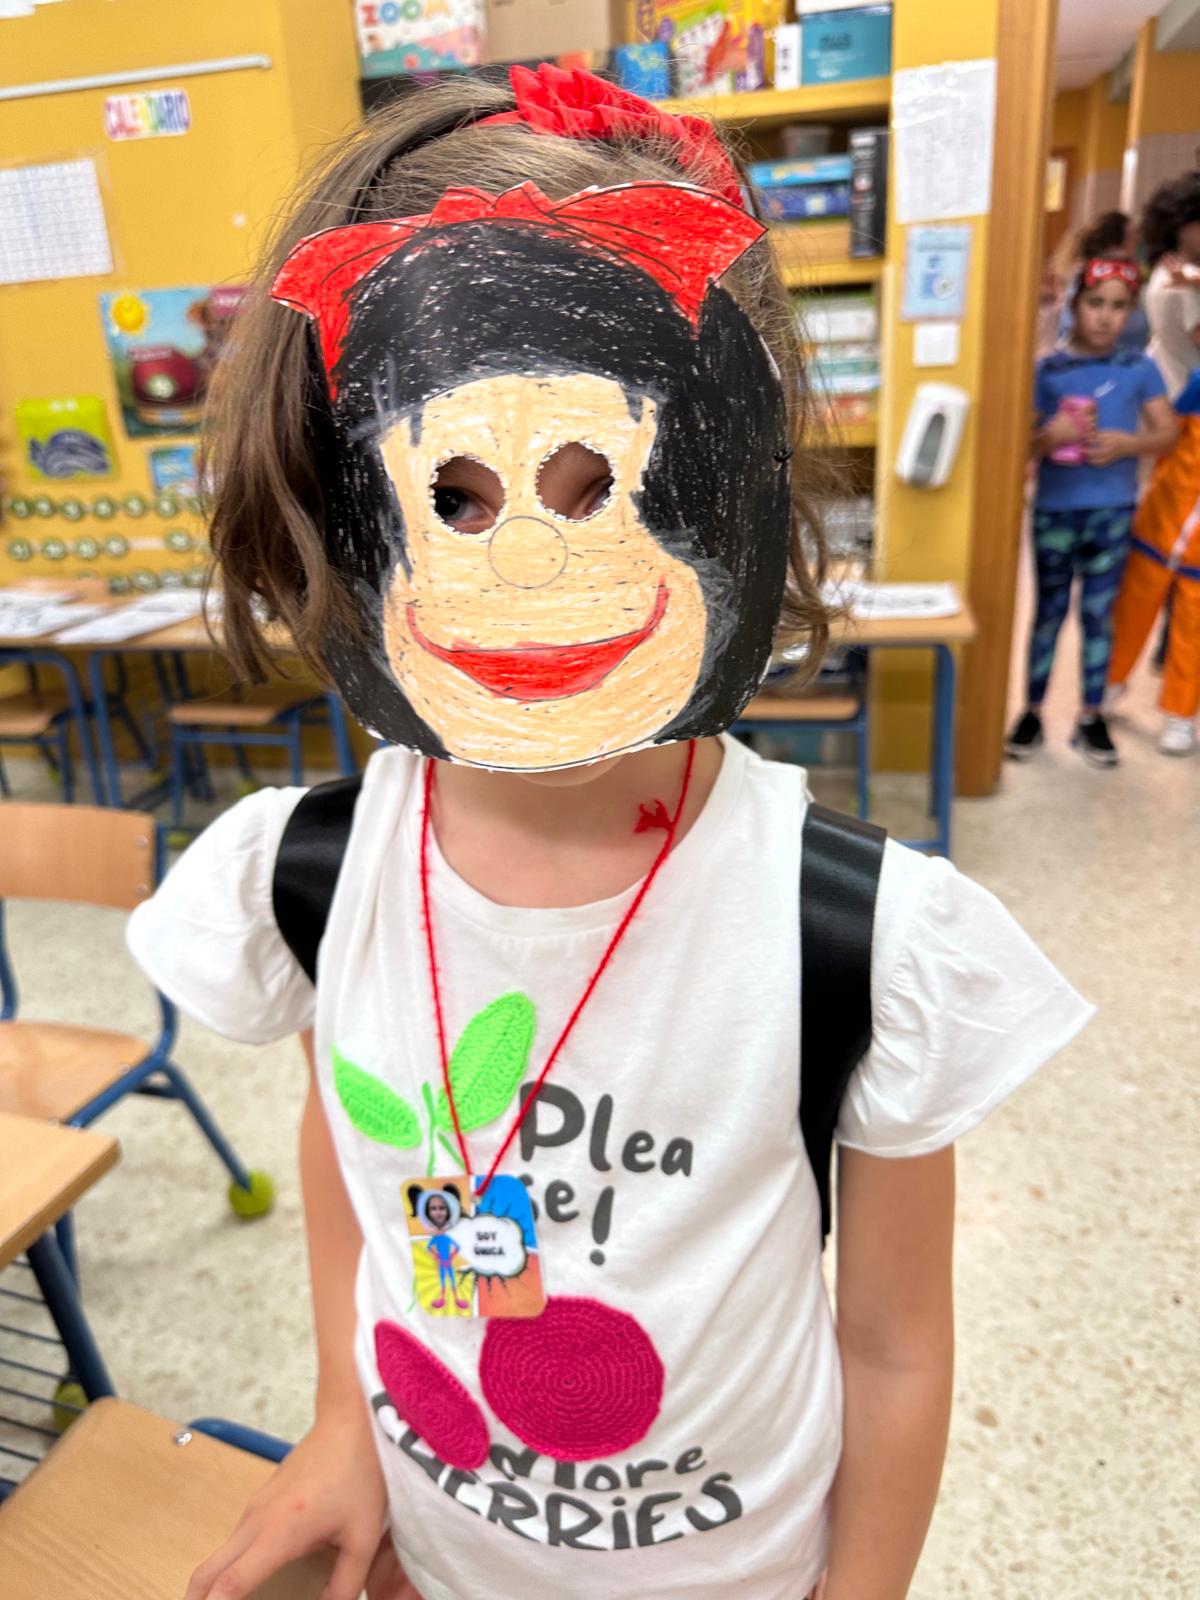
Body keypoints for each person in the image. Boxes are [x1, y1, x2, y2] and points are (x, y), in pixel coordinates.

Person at [128, 67, 1093, 1600]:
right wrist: (342, 1418)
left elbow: (898, 1345)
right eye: (454, 498)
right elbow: (352, 1145)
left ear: (729, 478)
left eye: (603, 485)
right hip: (434, 1549)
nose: (532, 569)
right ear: (331, 503)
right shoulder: (315, 877)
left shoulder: (852, 935)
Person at [1008, 258, 1177, 767]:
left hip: (1112, 513)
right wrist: (1048, 437)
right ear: (1075, 305)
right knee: (1048, 613)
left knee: (1099, 617)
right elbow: (1018, 446)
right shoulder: (1048, 371)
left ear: (1131, 313)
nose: (1105, 316)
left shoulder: (1139, 368)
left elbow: (1167, 433)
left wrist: (1129, 443)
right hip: (1055, 511)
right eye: (1095, 303)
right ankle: (1031, 711)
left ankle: (1091, 716)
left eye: (1118, 306)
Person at [1106, 366, 1200, 755]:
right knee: (1130, 611)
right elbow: (1169, 439)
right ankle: (1109, 682)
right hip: (1162, 521)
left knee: (1193, 631)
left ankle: (1180, 713)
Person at [1054, 211, 1150, 354]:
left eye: (1119, 305)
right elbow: (1068, 327)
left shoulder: (1131, 277)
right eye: (1132, 237)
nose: (1137, 242)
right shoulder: (1087, 276)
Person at [1142, 173, 1200, 399]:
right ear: (1179, 227)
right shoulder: (1186, 279)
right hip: (1190, 401)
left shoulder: (1161, 272)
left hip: (1168, 388)